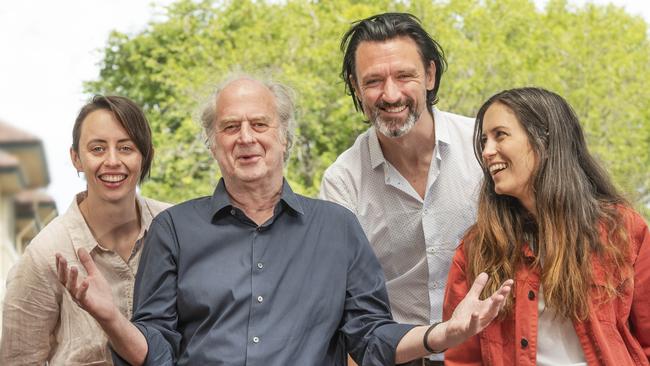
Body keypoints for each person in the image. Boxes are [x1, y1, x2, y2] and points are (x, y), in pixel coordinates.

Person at [56, 75, 513, 365]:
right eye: (230, 127)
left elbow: (370, 339)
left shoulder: (338, 228)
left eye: (260, 124)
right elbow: (156, 351)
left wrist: (444, 334)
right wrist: (112, 318)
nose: (246, 138)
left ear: (285, 137)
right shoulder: (174, 229)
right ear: (213, 145)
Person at [443, 87, 650, 365]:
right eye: (483, 141)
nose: (487, 151)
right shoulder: (476, 248)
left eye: (500, 135)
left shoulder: (622, 229)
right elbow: (462, 358)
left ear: (545, 140)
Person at [320, 13, 481, 365]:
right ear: (356, 86)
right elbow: (345, 309)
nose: (390, 94)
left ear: (429, 74)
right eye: (374, 80)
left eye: (404, 76)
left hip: (488, 352)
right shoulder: (342, 182)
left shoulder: (481, 147)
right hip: (400, 357)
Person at [0, 96, 170, 365]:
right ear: (76, 158)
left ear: (146, 154)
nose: (112, 161)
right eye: (98, 149)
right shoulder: (45, 255)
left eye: (126, 147)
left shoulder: (174, 228)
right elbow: (18, 360)